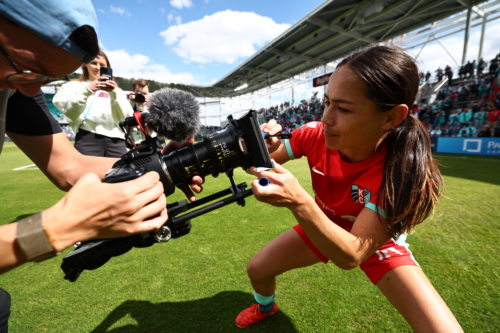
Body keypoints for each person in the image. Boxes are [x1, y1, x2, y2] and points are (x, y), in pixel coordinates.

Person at [0, 1, 204, 331]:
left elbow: (68, 165)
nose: (31, 89)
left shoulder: (17, 86)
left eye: (47, 77)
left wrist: (162, 166)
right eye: (26, 66)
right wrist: (56, 227)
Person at [236, 45, 463, 332]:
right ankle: (265, 307)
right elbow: (261, 165)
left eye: (343, 108)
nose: (327, 118)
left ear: (391, 117)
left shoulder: (401, 173)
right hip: (324, 223)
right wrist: (254, 147)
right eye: (327, 102)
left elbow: (352, 255)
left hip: (374, 242)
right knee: (258, 268)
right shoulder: (314, 134)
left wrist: (300, 202)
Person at [53, 50, 133, 157]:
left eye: (102, 65)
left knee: (120, 173)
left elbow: (126, 117)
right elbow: (70, 112)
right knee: (88, 173)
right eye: (94, 63)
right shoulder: (73, 86)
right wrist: (88, 89)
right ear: (85, 65)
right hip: (88, 137)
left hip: (117, 139)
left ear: (108, 68)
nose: (98, 67)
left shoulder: (117, 91)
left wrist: (114, 93)